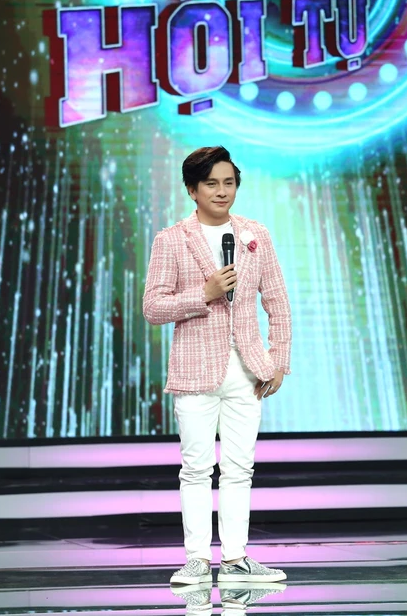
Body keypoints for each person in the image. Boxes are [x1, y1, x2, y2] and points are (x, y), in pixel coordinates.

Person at [143, 146, 292, 586]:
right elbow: (153, 307)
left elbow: (277, 301)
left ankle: (235, 559)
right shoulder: (172, 239)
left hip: (247, 369)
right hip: (194, 371)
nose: (222, 191)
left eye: (229, 182)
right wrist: (203, 294)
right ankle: (195, 560)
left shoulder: (255, 234)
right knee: (196, 468)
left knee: (240, 468)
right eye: (211, 183)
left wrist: (278, 360)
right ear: (193, 190)